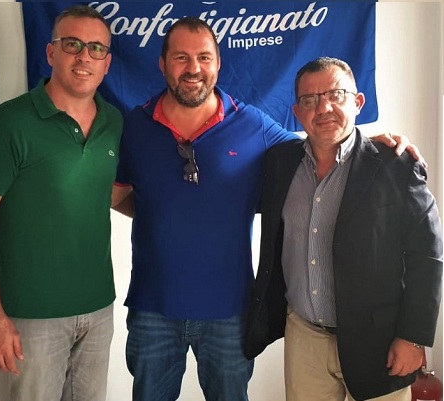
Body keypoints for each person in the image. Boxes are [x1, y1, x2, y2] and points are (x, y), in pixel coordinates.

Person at [111, 18, 420, 401]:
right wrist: (157, 214)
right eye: (181, 57)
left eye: (204, 57)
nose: (193, 68)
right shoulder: (134, 126)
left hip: (230, 311)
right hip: (152, 308)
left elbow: (316, 147)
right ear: (162, 64)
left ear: (218, 64)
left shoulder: (252, 124)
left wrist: (370, 144)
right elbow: (117, 195)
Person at [244, 57, 442, 401]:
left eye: (336, 95)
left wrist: (413, 337)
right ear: (297, 111)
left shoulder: (396, 165)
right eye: (310, 100)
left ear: (357, 102)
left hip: (379, 340)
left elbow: (428, 256)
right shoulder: (280, 163)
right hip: (305, 338)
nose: (324, 108)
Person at [0, 5, 122, 401]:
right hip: (31, 316)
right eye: (72, 44)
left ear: (107, 62)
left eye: (96, 48)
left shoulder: (113, 122)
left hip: (99, 308)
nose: (84, 56)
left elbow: (104, 192)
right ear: (51, 53)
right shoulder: (7, 124)